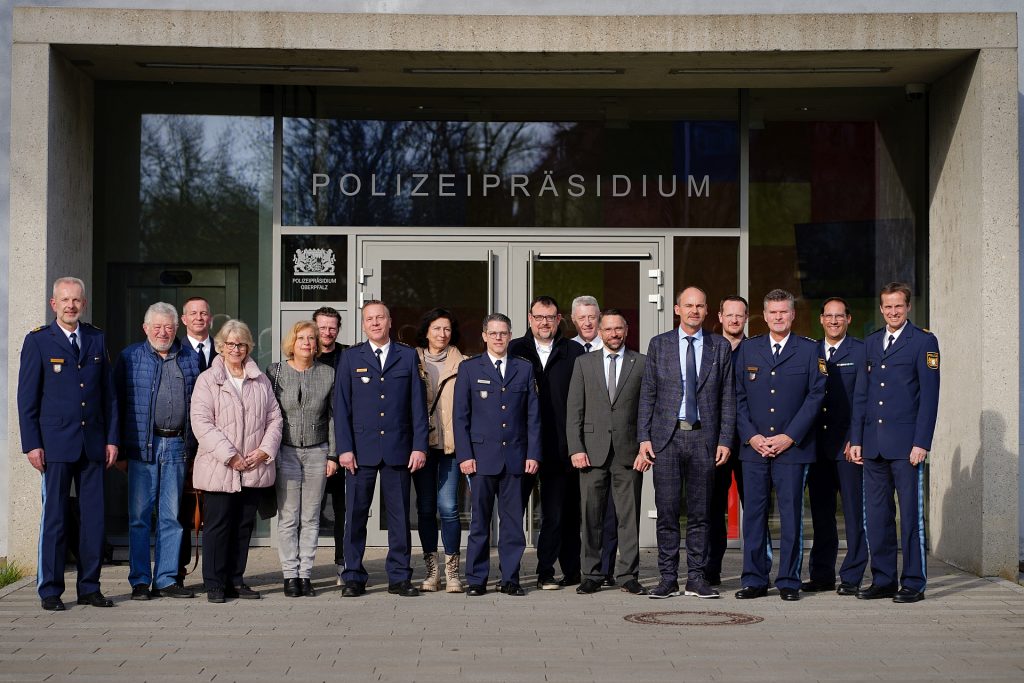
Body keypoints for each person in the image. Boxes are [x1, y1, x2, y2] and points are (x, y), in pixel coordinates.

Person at [17, 277, 119, 611]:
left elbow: (108, 397)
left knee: (93, 520)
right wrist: (32, 444)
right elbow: (27, 399)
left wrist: (112, 439)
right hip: (55, 445)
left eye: (76, 300)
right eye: (65, 300)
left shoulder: (96, 337)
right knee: (56, 518)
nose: (71, 306)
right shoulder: (38, 342)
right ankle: (50, 589)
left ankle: (90, 587)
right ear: (53, 304)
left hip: (92, 445)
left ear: (83, 304)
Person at [637, 287, 735, 600]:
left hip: (704, 438)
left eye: (700, 306)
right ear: (677, 309)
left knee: (701, 513)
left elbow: (728, 397)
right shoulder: (659, 344)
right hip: (666, 438)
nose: (694, 311)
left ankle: (696, 578)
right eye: (688, 305)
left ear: (708, 311)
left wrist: (724, 439)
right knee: (666, 512)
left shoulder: (719, 346)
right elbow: (648, 394)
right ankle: (667, 578)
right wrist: (643, 437)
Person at [733, 289, 826, 601]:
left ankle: (789, 580)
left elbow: (816, 397)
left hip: (793, 449)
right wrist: (752, 436)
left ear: (793, 314)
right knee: (754, 517)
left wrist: (789, 436)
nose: (778, 317)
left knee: (791, 517)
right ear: (764, 314)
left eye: (783, 312)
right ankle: (754, 579)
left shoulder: (810, 350)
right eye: (773, 313)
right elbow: (737, 397)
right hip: (754, 449)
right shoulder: (748, 349)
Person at [850, 282, 940, 604]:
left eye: (898, 306)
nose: (892, 312)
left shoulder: (923, 342)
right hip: (873, 445)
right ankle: (884, 579)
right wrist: (856, 438)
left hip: (906, 448)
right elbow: (862, 395)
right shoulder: (871, 343)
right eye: (887, 307)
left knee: (911, 518)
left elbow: (929, 398)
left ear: (908, 307)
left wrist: (922, 442)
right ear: (881, 308)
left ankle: (913, 582)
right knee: (876, 517)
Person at [334, 300, 429, 598]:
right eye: (369, 319)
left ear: (390, 321)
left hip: (399, 449)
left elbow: (417, 405)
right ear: (363, 325)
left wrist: (419, 446)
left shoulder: (407, 356)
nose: (375, 323)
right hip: (360, 452)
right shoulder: (350, 358)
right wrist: (344, 449)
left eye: (380, 318)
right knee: (356, 516)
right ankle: (353, 576)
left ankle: (399, 577)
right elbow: (342, 406)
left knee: (400, 516)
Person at [190, 319, 282, 603]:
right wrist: (230, 456)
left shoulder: (260, 379)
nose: (236, 349)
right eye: (230, 344)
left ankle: (235, 579)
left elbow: (274, 418)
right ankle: (215, 583)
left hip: (253, 467)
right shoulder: (208, 379)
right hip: (221, 466)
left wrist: (264, 451)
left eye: (241, 344)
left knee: (243, 526)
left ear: (248, 347)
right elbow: (201, 423)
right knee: (218, 527)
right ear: (220, 346)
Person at [115, 302, 199, 601]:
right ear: (145, 328)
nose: (163, 332)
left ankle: (165, 579)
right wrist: (121, 449)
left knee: (172, 516)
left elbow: (198, 407)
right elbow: (117, 405)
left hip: (177, 445)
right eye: (157, 326)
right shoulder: (130, 357)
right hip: (141, 448)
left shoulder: (190, 358)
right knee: (139, 517)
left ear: (177, 329)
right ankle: (140, 580)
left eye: (169, 327)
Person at [453, 314, 541, 596]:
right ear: (484, 335)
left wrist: (532, 453)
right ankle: (477, 579)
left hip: (515, 457)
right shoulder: (468, 369)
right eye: (493, 333)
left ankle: (510, 578)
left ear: (510, 335)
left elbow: (532, 416)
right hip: (480, 458)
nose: (499, 338)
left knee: (513, 522)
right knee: (480, 522)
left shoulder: (523, 369)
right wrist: (465, 455)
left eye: (503, 333)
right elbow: (460, 417)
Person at [567, 309, 648, 596]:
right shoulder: (583, 363)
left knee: (629, 517)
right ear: (600, 332)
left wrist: (645, 446)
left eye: (619, 329)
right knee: (591, 516)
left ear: (626, 331)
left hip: (629, 453)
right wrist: (576, 448)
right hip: (591, 452)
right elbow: (574, 409)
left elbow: (646, 410)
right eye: (609, 329)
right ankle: (591, 574)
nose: (614, 334)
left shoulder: (641, 363)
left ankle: (628, 574)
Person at [509, 295, 584, 589]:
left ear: (559, 320)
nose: (544, 323)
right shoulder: (516, 349)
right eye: (539, 317)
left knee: (554, 515)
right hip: (520, 446)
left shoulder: (573, 352)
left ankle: (545, 572)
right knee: (513, 512)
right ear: (530, 319)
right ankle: (510, 572)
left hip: (559, 447)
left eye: (550, 317)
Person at [803, 297, 868, 596]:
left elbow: (862, 400)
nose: (833, 321)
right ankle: (822, 574)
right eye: (828, 316)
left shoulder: (861, 350)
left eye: (839, 316)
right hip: (817, 447)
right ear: (821, 319)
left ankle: (853, 575)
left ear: (848, 319)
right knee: (822, 514)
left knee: (853, 514)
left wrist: (856, 438)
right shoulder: (810, 350)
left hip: (847, 446)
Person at [267, 320, 336, 598]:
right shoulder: (275, 372)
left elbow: (333, 417)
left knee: (311, 517)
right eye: (301, 338)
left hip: (318, 451)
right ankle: (289, 575)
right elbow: (269, 415)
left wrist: (333, 454)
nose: (306, 343)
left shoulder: (328, 373)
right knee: (288, 517)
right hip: (286, 451)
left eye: (311, 338)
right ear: (291, 343)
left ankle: (305, 575)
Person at [413, 308, 467, 593]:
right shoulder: (412, 361)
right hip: (421, 447)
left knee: (448, 508)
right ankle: (431, 571)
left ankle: (452, 571)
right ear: (426, 331)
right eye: (436, 328)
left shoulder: (465, 363)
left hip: (451, 446)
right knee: (424, 509)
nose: (441, 334)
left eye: (446, 329)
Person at [569, 295, 617, 587]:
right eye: (582, 318)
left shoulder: (619, 351)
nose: (587, 322)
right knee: (584, 513)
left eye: (592, 317)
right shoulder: (569, 351)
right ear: (574, 320)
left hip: (615, 448)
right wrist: (575, 445)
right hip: (582, 446)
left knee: (611, 514)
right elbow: (573, 405)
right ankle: (584, 570)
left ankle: (609, 569)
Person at [706, 295, 748, 586]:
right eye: (729, 315)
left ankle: (755, 572)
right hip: (713, 442)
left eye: (740, 315)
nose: (734, 320)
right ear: (720, 316)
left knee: (756, 510)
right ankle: (711, 570)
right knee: (712, 508)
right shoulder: (706, 348)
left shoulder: (757, 349)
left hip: (748, 443)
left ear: (747, 318)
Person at [176, 296, 216, 585]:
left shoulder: (225, 351)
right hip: (183, 444)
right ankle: (177, 571)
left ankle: (215, 574)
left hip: (218, 445)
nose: (199, 317)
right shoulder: (174, 351)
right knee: (180, 512)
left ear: (211, 319)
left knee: (214, 513)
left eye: (204, 313)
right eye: (194, 313)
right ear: (184, 319)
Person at [312, 305, 349, 585]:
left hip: (345, 444)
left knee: (342, 510)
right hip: (310, 446)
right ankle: (302, 569)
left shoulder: (349, 356)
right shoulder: (301, 355)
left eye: (332, 327)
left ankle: (342, 564)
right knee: (309, 511)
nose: (327, 332)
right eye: (322, 327)